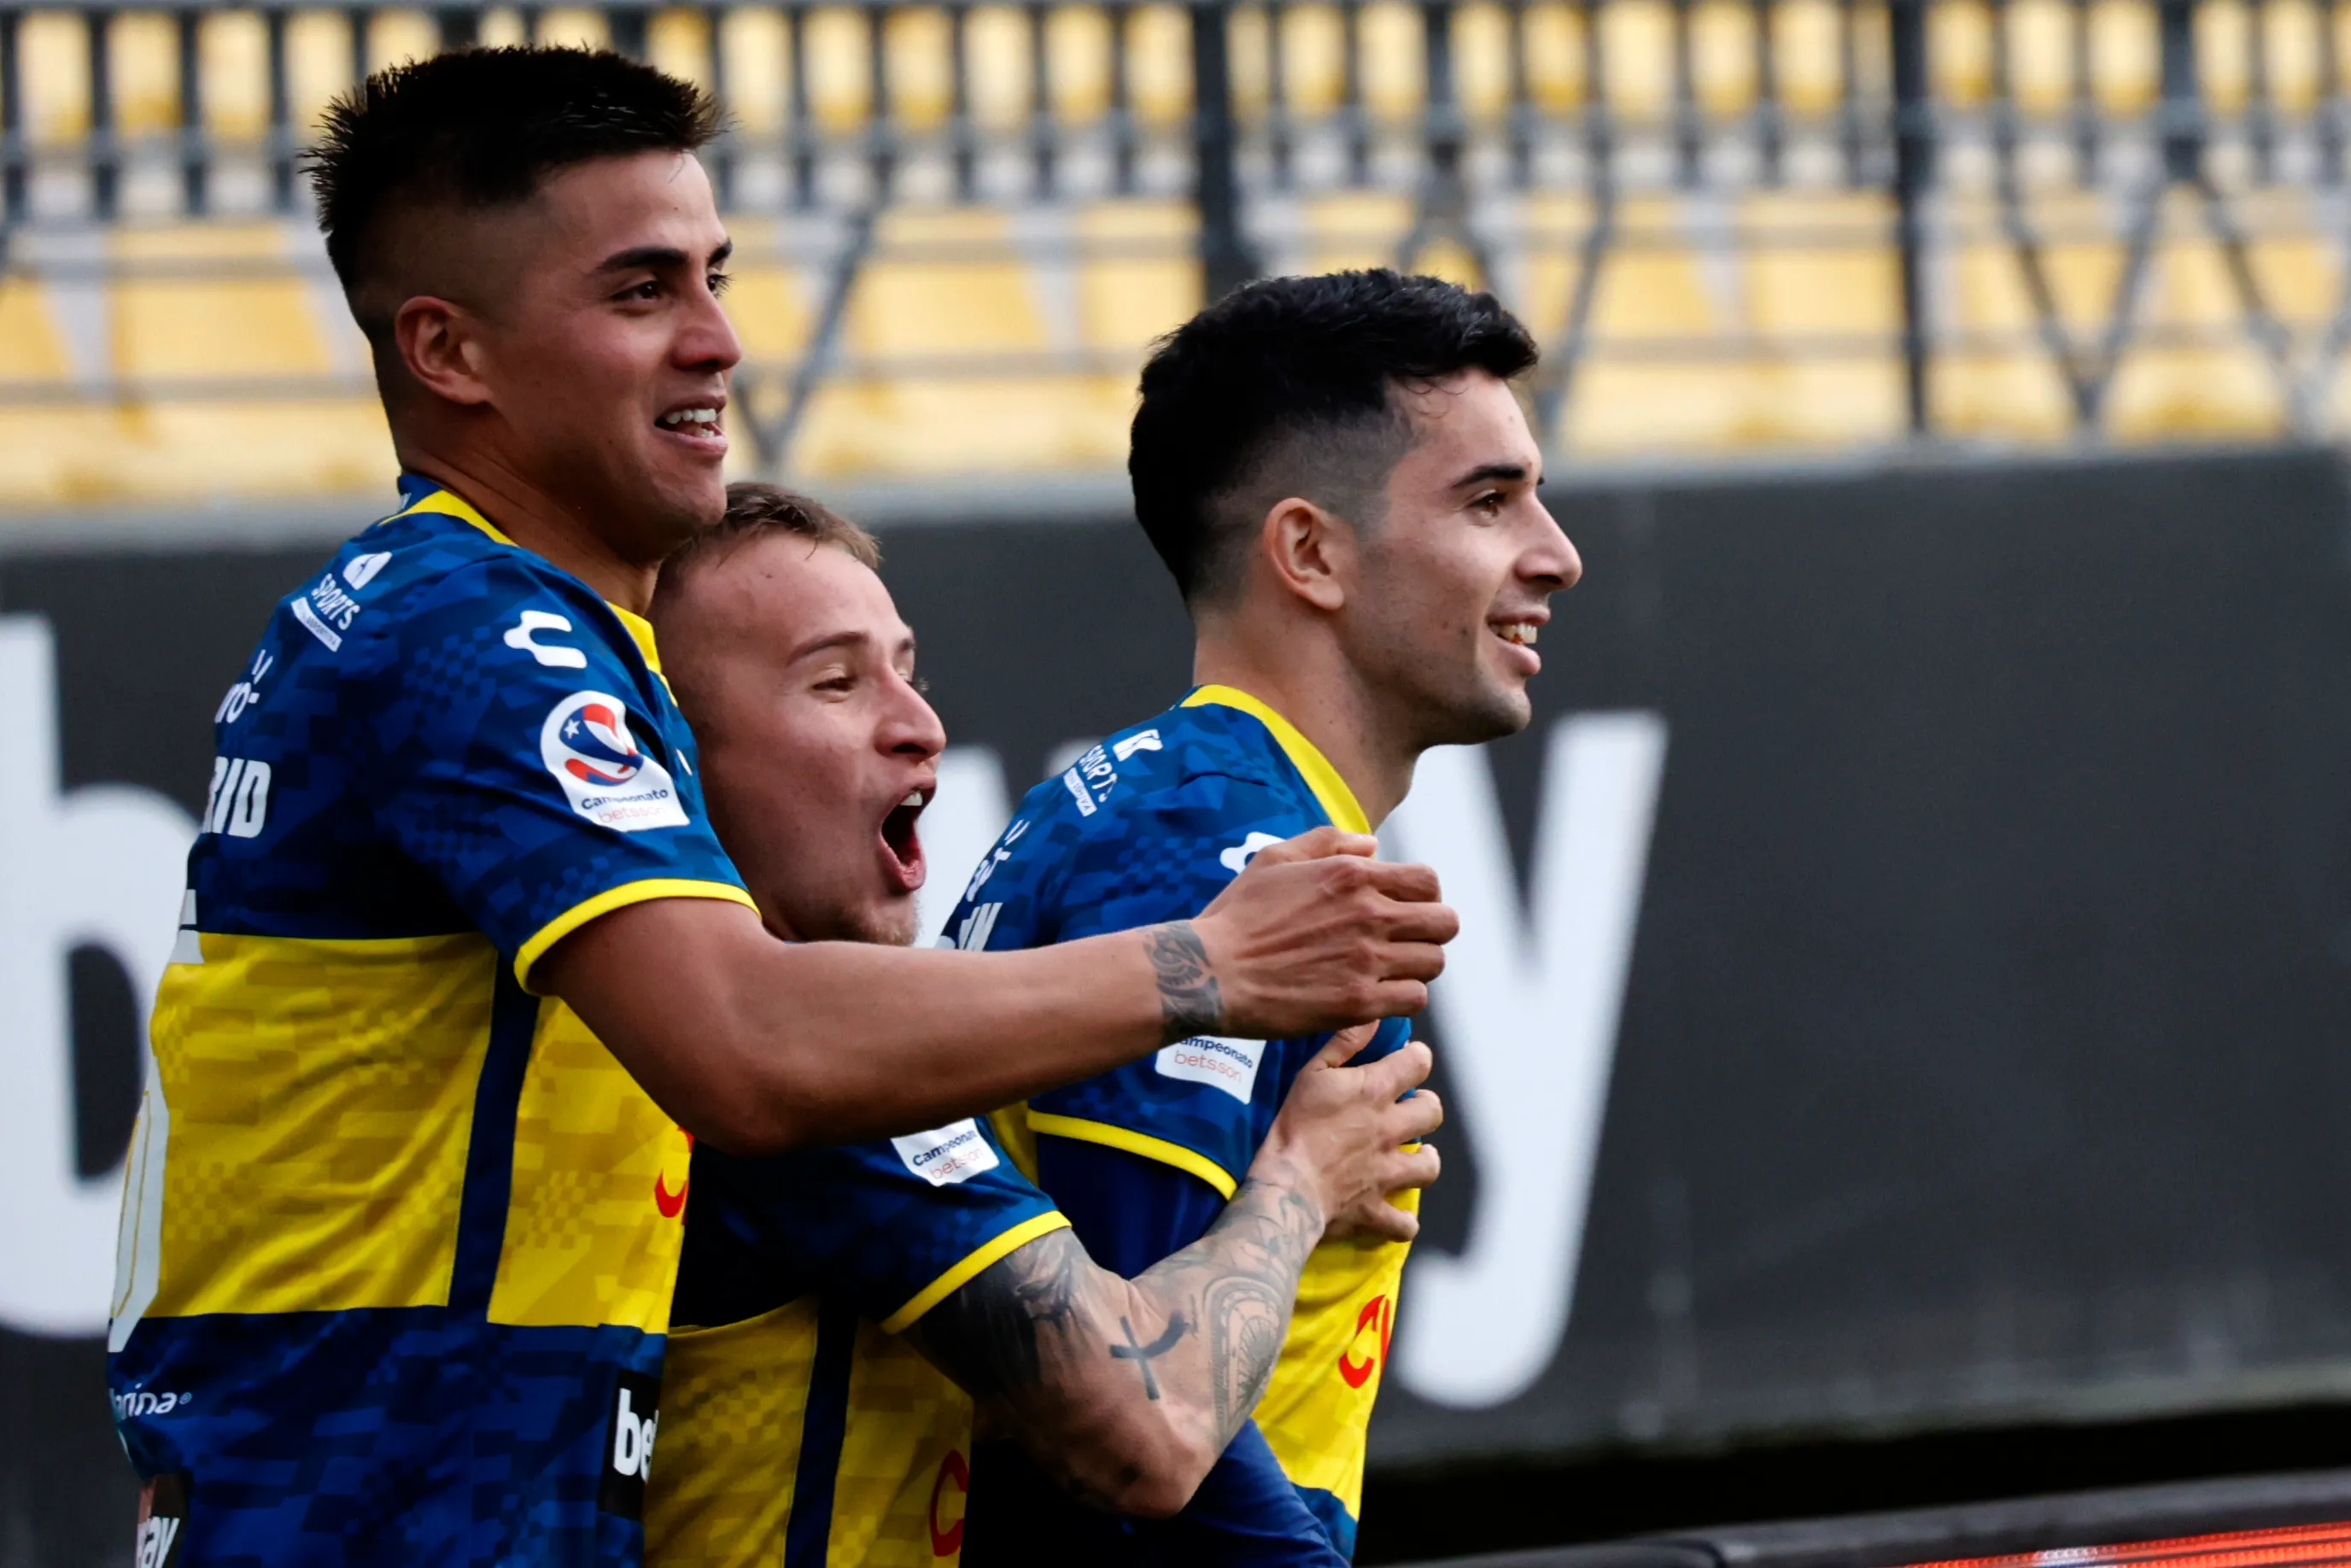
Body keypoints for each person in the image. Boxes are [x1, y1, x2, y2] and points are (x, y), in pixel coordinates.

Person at [105, 52, 1456, 1567]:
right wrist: (1212, 975)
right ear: (448, 350)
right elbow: (753, 1048)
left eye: (716, 278)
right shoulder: (473, 628)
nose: (719, 341)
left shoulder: (456, 623)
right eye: (640, 290)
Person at [635, 484, 1444, 1566]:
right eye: (835, 682)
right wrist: (1299, 1182)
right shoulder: (809, 1088)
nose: (919, 726)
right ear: (672, 753)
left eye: (909, 673)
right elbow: (1150, 1438)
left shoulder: (735, 1049)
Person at [943, 270, 1580, 1564]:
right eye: (1488, 501)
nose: (1554, 554)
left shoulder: (1185, 806)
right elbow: (1118, 1409)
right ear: (1309, 554)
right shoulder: (1215, 845)